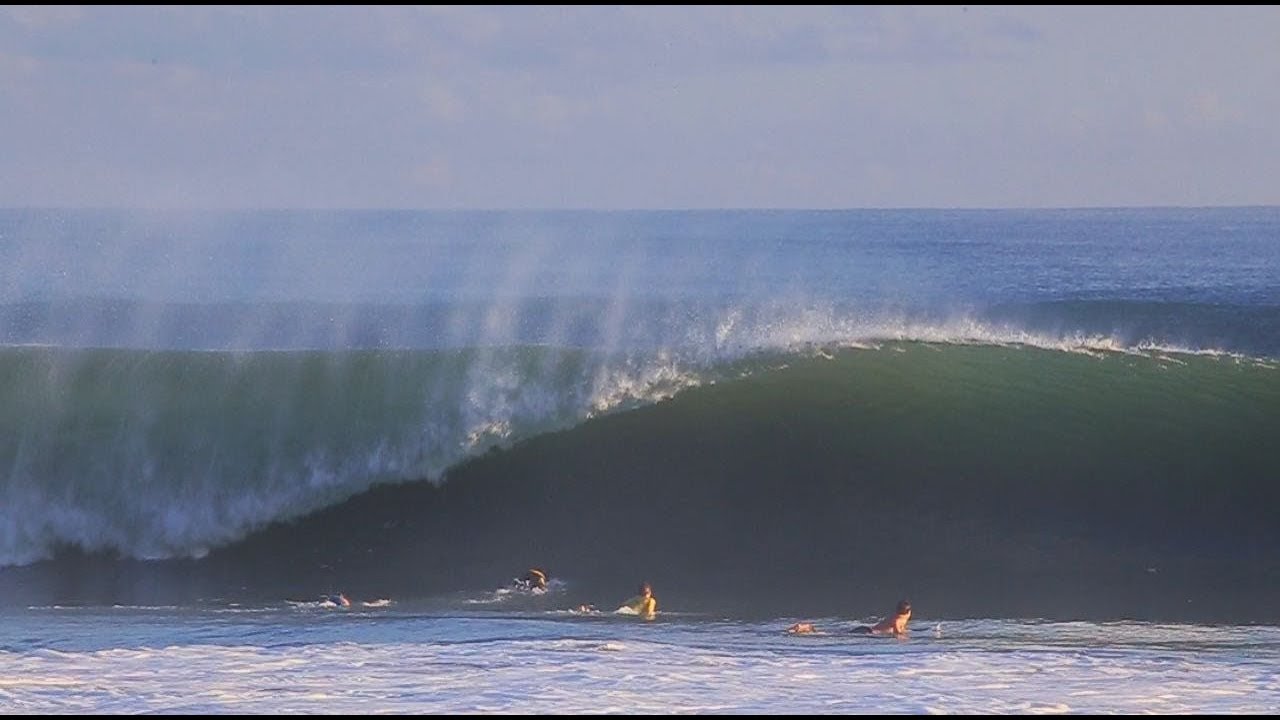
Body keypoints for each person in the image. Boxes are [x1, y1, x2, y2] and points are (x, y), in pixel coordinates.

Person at [786, 600, 912, 637]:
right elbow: (898, 634)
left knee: (835, 634)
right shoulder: (898, 620)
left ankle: (808, 628)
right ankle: (807, 628)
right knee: (833, 635)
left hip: (867, 630)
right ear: (909, 612)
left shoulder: (898, 618)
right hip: (867, 631)